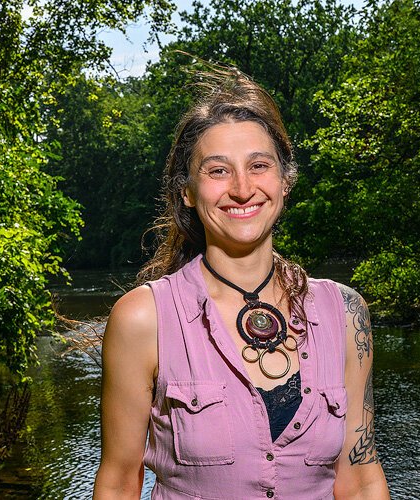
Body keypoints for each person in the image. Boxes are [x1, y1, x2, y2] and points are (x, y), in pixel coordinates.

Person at [93, 65, 390, 500]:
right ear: (187, 192)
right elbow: (119, 483)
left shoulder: (345, 312)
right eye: (217, 171)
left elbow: (361, 480)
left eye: (259, 165)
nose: (242, 188)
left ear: (285, 181)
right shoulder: (144, 318)